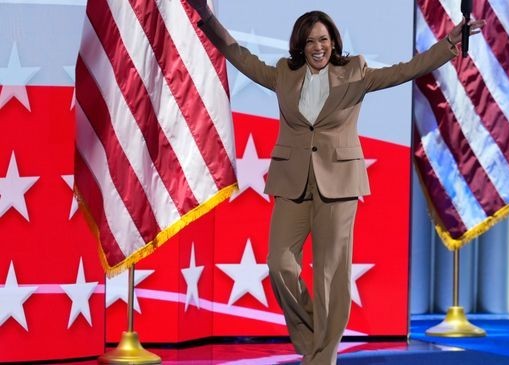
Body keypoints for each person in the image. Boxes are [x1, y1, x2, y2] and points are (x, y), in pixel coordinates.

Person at [187, 1, 485, 363]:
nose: (318, 47)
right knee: (280, 264)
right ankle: (315, 339)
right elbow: (239, 55)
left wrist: (449, 45)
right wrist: (207, 16)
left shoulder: (355, 72)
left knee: (330, 273)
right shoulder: (284, 73)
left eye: (324, 39)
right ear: (300, 45)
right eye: (311, 41)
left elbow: (406, 70)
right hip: (292, 182)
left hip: (339, 184)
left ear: (333, 42)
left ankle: (322, 357)